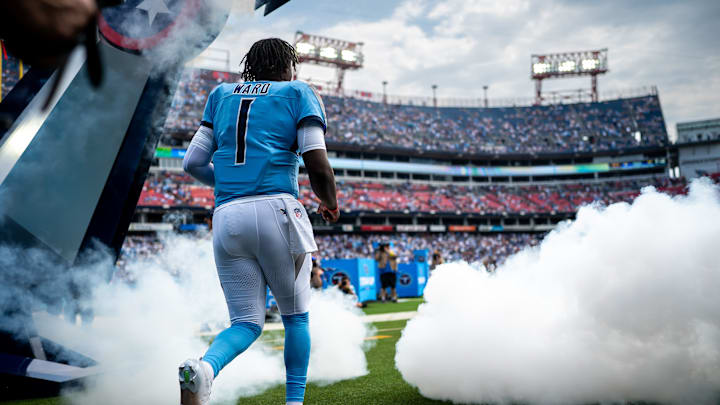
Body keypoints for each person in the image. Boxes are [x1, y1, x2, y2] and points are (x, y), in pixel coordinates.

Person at [179, 38, 339, 405]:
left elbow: (191, 163)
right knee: (296, 318)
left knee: (246, 323)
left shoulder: (220, 94)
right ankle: (294, 403)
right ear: (288, 65)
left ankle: (203, 369)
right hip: (278, 209)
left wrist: (236, 183)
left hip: (227, 215)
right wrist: (330, 202)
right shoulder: (298, 91)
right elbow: (316, 161)